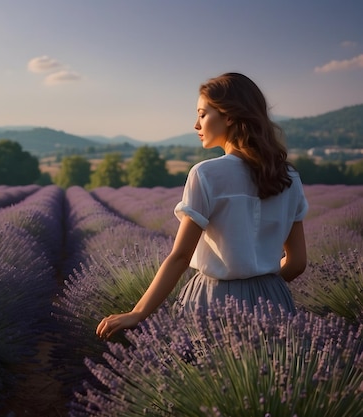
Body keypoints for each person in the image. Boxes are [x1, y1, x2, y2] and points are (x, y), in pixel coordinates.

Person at [96, 72, 308, 340]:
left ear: (229, 116)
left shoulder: (206, 174)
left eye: (203, 114)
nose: (196, 125)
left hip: (215, 301)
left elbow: (180, 257)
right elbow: (298, 262)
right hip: (273, 302)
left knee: (210, 378)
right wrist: (262, 287)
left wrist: (137, 313)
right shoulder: (289, 178)